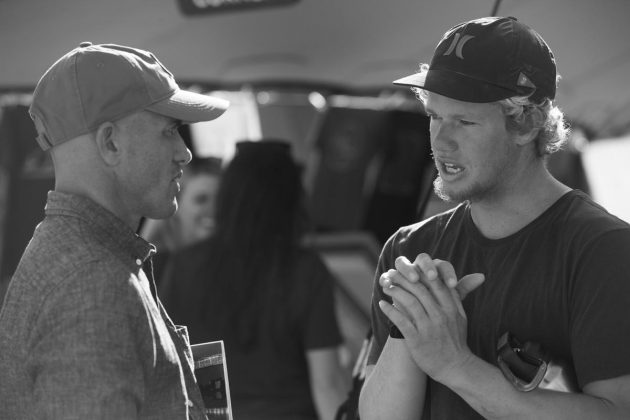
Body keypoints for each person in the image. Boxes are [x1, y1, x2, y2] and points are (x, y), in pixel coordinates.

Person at [359, 16, 630, 419]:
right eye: (434, 115)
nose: (440, 140)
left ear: (527, 123)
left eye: (464, 121)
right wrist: (411, 328)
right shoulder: (408, 249)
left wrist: (456, 365)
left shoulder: (603, 249)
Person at [0, 42, 229, 419]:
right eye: (169, 131)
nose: (184, 152)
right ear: (110, 142)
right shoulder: (89, 283)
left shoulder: (87, 259)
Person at [158, 140, 349, 420]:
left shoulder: (184, 265)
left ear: (228, 195)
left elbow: (174, 370)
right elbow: (328, 384)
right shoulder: (304, 269)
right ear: (292, 199)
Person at [141, 156, 222, 276]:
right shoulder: (154, 272)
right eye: (201, 200)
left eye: (221, 200)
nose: (214, 209)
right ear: (176, 208)